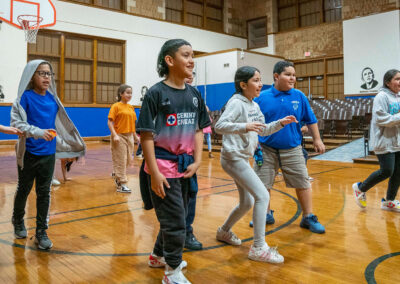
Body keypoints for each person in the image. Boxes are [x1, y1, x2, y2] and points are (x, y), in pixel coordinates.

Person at [137, 39, 210, 284]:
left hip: (187, 166)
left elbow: (199, 130)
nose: (192, 61)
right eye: (186, 55)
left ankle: (158, 256)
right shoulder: (156, 94)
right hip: (162, 168)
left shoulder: (194, 94)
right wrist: (155, 172)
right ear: (170, 61)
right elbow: (146, 136)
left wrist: (198, 160)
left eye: (193, 56)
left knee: (177, 217)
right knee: (176, 221)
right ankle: (172, 272)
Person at [215, 66, 297, 263]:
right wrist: (244, 126)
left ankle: (224, 231)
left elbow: (263, 129)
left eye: (261, 80)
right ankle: (259, 247)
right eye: (256, 80)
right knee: (261, 196)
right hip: (232, 157)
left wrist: (281, 123)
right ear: (243, 85)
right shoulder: (236, 103)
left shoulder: (254, 105)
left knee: (248, 202)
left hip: (241, 158)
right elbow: (219, 126)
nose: (260, 84)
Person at [10, 59, 85, 250]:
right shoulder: (24, 98)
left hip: (48, 155)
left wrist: (71, 147)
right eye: (41, 73)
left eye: (49, 74)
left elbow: (56, 129)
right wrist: (37, 132)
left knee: (44, 193)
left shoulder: (53, 100)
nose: (46, 77)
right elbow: (17, 125)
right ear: (31, 76)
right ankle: (18, 220)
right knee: (24, 190)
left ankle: (41, 232)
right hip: (28, 154)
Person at [253, 60, 326, 234]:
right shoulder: (262, 97)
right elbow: (254, 122)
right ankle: (265, 214)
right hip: (266, 148)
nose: (292, 78)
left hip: (292, 147)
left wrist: (317, 139)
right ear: (276, 76)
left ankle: (308, 217)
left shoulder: (299, 96)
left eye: (294, 75)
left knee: (302, 182)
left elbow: (311, 119)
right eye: (288, 74)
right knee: (263, 184)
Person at [353, 69, 400, 212]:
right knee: (387, 170)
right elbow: (381, 119)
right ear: (388, 82)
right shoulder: (381, 96)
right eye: (397, 79)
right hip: (384, 140)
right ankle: (361, 188)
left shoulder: (398, 97)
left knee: (398, 172)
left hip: (397, 141)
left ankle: (389, 201)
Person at [108, 84, 140, 193]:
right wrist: (115, 135)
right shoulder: (116, 106)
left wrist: (136, 136)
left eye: (131, 93)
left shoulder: (131, 107)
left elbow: (132, 124)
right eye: (127, 92)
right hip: (119, 136)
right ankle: (122, 184)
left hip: (129, 136)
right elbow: (110, 122)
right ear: (121, 94)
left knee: (128, 160)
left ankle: (116, 173)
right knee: (121, 160)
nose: (129, 95)